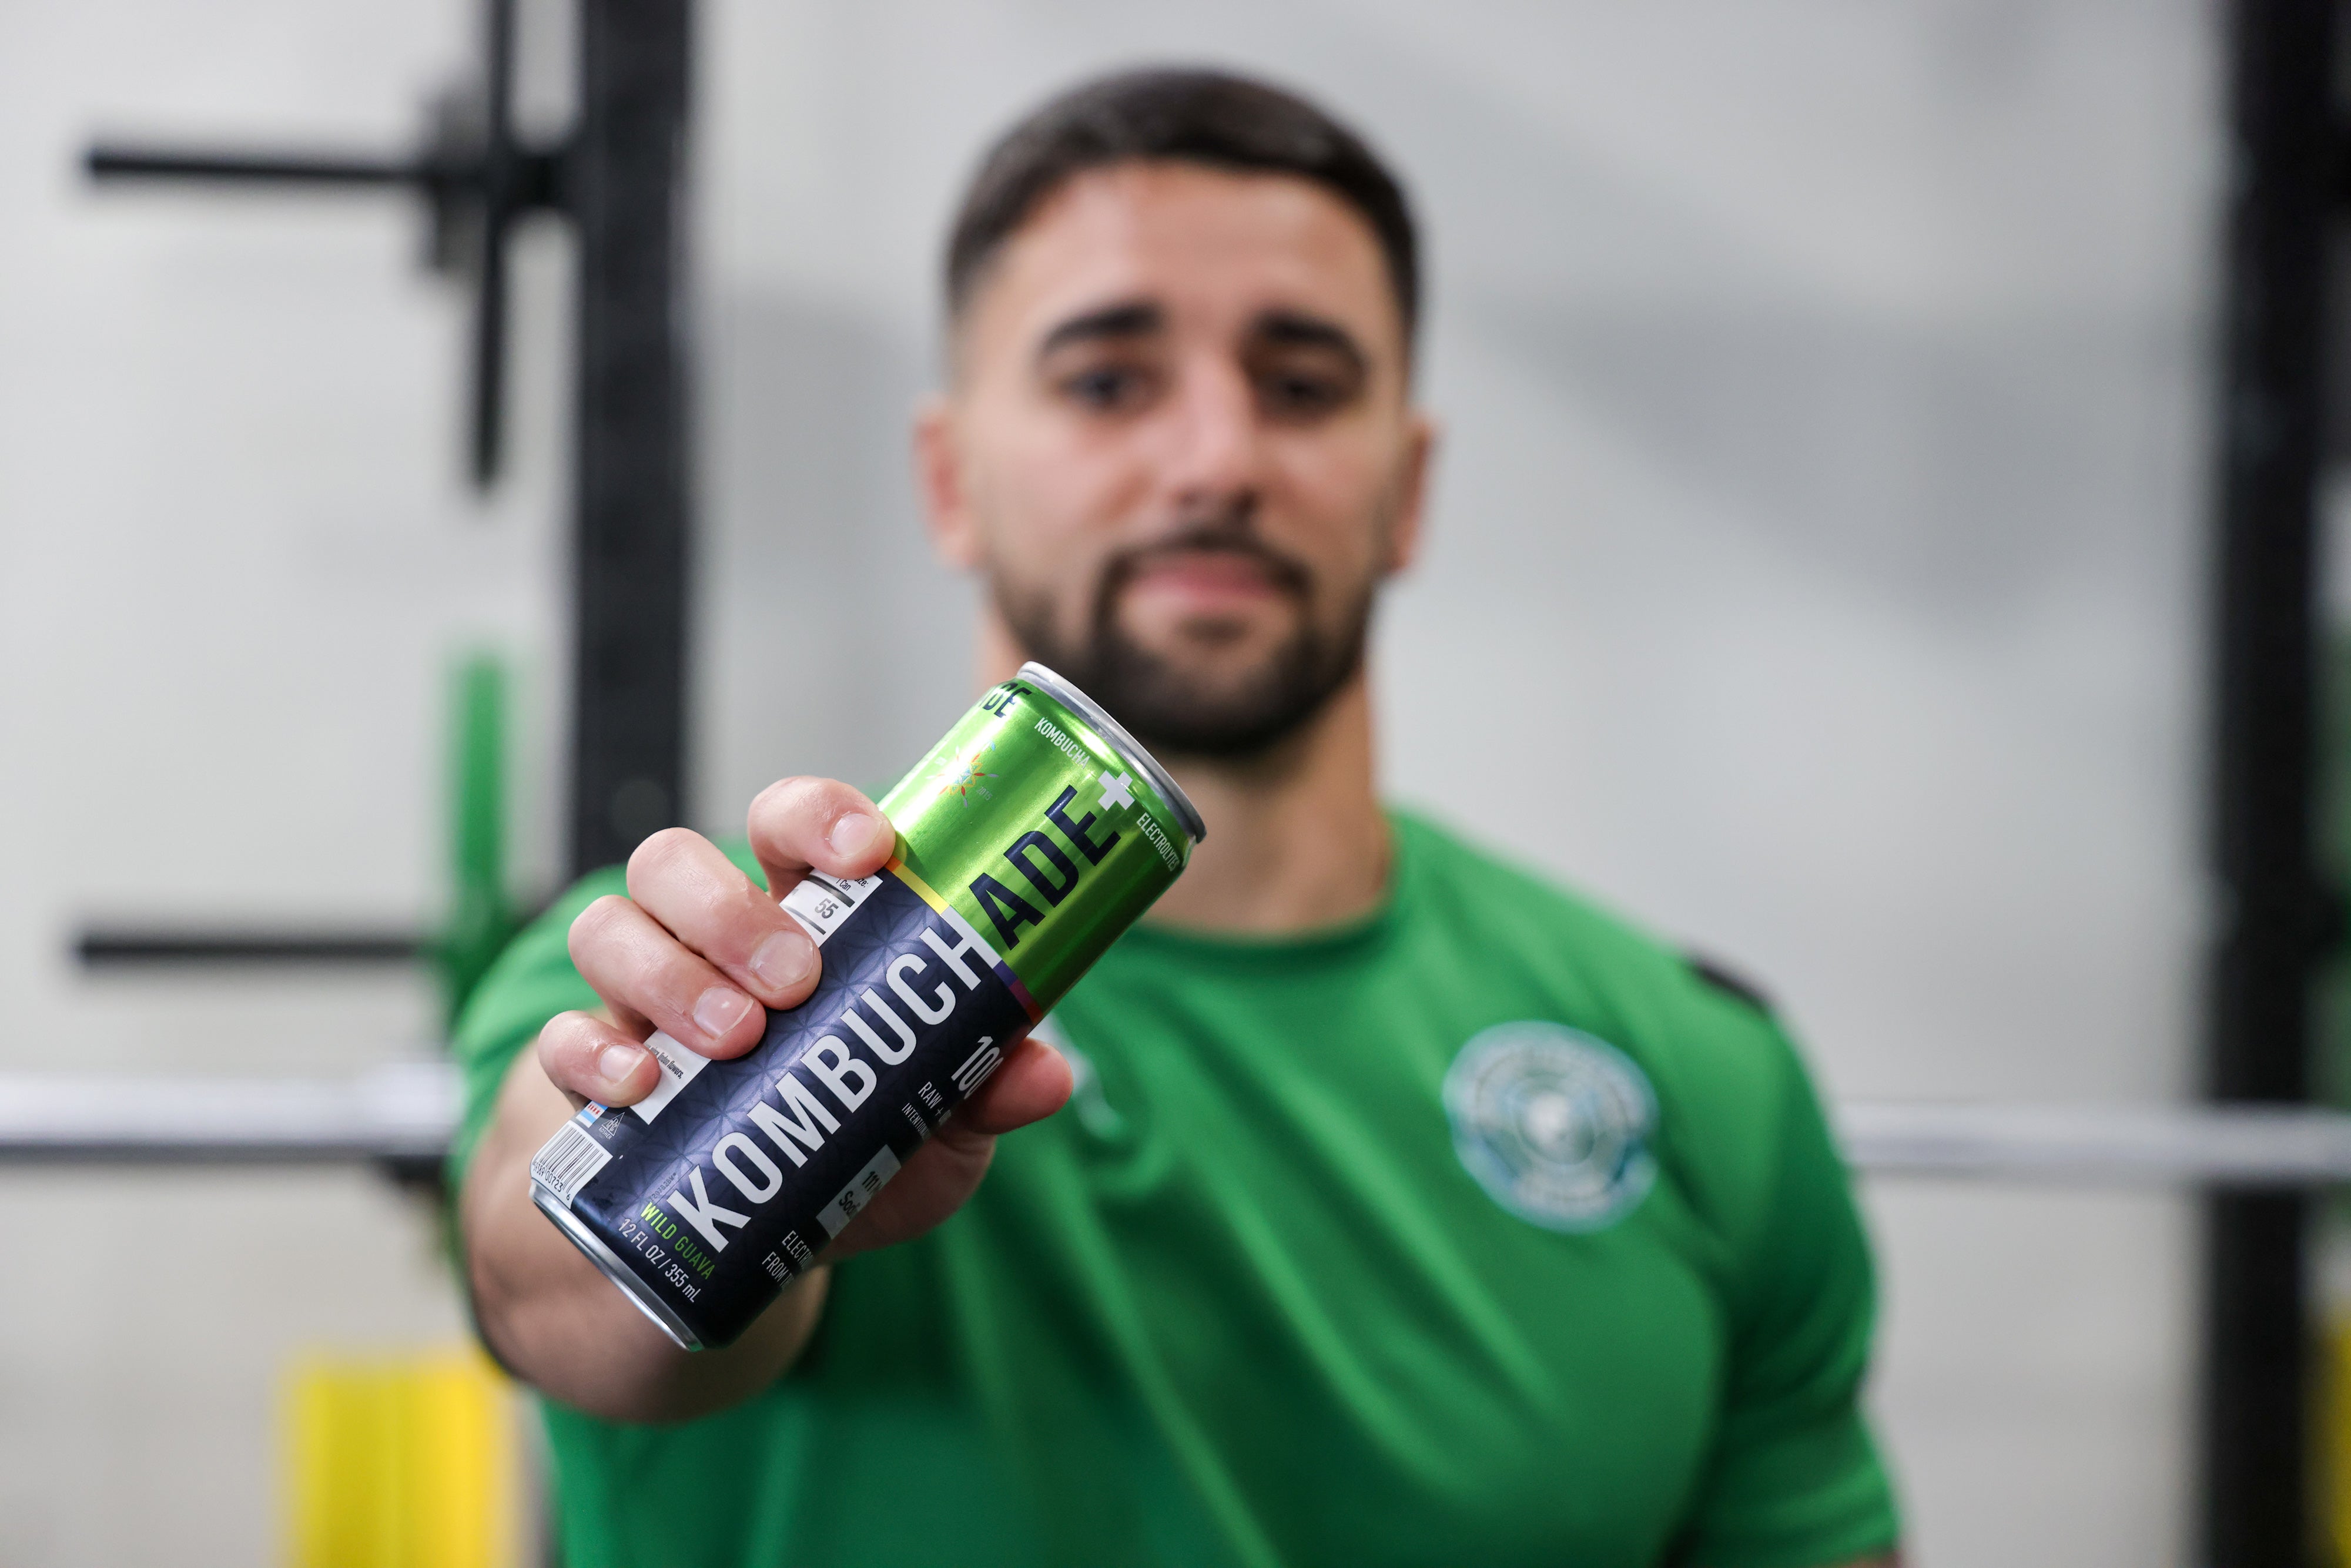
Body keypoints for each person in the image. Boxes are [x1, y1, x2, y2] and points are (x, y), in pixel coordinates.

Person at [454, 68, 1902, 1568]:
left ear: (1405, 490)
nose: (1215, 458)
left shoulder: (1697, 1062)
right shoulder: (685, 977)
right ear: (949, 481)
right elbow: (553, 1293)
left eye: (1302, 385)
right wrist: (720, 1162)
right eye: (1105, 381)